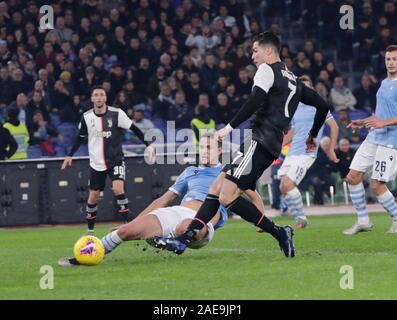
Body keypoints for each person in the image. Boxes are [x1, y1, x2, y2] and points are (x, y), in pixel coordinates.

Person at [154, 32, 330, 258]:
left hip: (260, 141)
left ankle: (279, 232)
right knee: (216, 189)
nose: (253, 56)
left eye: (255, 51)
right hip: (267, 143)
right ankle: (184, 238)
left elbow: (254, 100)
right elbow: (323, 105)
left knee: (226, 197)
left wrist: (228, 128)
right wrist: (312, 135)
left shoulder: (267, 70)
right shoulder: (294, 80)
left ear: (269, 51)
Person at [58, 133, 264, 266]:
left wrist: (261, 221)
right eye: (202, 147)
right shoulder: (189, 172)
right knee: (125, 231)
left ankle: (169, 239)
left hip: (203, 220)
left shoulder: (229, 171)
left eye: (209, 147)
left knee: (186, 227)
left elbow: (254, 196)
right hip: (179, 211)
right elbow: (163, 200)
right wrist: (134, 221)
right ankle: (86, 256)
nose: (204, 151)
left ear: (219, 150)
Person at [61, 86, 156, 234]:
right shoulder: (87, 117)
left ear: (105, 98)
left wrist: (148, 145)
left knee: (118, 189)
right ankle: (90, 230)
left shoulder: (117, 114)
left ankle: (128, 224)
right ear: (92, 98)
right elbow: (80, 137)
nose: (99, 97)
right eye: (96, 95)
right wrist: (70, 155)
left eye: (101, 95)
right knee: (93, 197)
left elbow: (134, 128)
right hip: (96, 164)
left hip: (115, 160)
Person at [343, 45, 397, 235]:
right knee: (352, 176)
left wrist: (383, 122)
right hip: (375, 136)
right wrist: (363, 121)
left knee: (376, 185)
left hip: (391, 140)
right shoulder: (384, 83)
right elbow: (380, 115)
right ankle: (363, 221)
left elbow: (385, 119)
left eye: (395, 59)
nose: (391, 62)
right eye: (388, 59)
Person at [279, 75, 339, 229]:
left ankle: (301, 219)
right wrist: (277, 145)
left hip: (306, 153)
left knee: (288, 183)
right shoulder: (295, 107)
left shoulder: (319, 106)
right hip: (292, 153)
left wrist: (330, 149)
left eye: (307, 87)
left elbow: (334, 127)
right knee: (282, 187)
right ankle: (297, 217)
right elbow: (292, 131)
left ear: (312, 88)